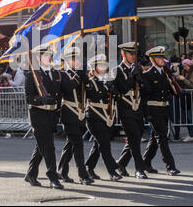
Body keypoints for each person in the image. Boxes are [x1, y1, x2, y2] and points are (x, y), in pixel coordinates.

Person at [24, 46, 64, 189]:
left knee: (41, 146)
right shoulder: (32, 75)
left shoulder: (55, 73)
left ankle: (31, 174)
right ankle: (53, 177)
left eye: (50, 55)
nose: (49, 57)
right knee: (48, 147)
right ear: (39, 57)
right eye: (46, 55)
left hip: (51, 115)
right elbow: (29, 98)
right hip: (38, 114)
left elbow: (59, 94)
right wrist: (42, 100)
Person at [56, 47, 94, 185]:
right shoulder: (63, 74)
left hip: (81, 114)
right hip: (69, 113)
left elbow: (89, 92)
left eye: (77, 58)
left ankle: (62, 170)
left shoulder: (81, 74)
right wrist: (78, 78)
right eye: (73, 58)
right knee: (78, 143)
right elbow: (66, 88)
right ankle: (82, 175)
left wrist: (87, 80)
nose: (76, 61)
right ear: (66, 61)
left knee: (71, 144)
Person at [142, 46, 181, 176]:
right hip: (153, 109)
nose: (162, 59)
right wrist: (146, 113)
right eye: (159, 57)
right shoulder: (147, 75)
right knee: (162, 138)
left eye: (163, 57)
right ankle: (170, 166)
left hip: (164, 109)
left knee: (155, 137)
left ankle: (145, 162)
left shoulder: (165, 73)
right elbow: (145, 96)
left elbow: (172, 91)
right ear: (152, 60)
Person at [84, 54, 123, 182]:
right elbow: (94, 96)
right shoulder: (90, 82)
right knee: (105, 144)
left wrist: (114, 90)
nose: (104, 68)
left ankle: (89, 167)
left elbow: (117, 98)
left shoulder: (106, 80)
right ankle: (112, 171)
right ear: (94, 68)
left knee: (99, 144)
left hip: (107, 116)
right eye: (100, 65)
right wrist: (106, 87)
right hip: (94, 117)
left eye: (105, 65)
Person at [114, 43, 148, 179]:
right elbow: (122, 89)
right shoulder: (117, 70)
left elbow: (146, 89)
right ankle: (139, 169)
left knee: (136, 138)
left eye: (134, 54)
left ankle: (121, 163)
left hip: (138, 108)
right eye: (130, 54)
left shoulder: (137, 68)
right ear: (123, 54)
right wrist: (131, 77)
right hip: (126, 108)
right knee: (134, 137)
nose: (133, 56)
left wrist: (141, 79)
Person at [176, 59, 193, 142]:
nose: (184, 67)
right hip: (184, 95)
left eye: (185, 66)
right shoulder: (184, 72)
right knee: (187, 115)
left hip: (191, 96)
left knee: (190, 115)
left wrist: (183, 79)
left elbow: (192, 84)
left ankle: (192, 134)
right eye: (184, 66)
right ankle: (189, 133)